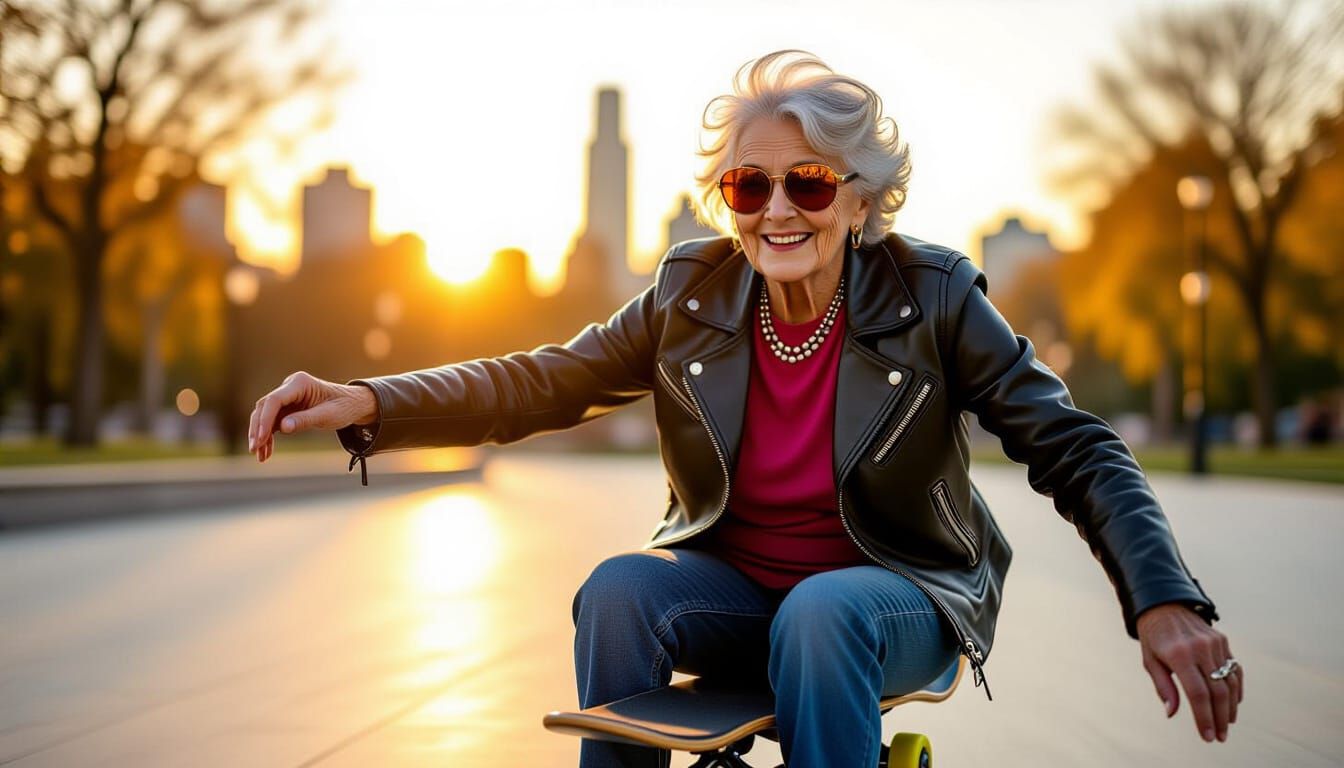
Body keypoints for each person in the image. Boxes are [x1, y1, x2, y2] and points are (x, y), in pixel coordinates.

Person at [247, 50, 1241, 768]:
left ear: (860, 202)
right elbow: (542, 379)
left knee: (820, 612)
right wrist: (373, 398)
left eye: (807, 183)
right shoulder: (693, 294)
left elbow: (1075, 446)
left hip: (899, 595)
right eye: (748, 183)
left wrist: (1163, 597)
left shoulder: (934, 297)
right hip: (738, 592)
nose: (776, 209)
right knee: (620, 589)